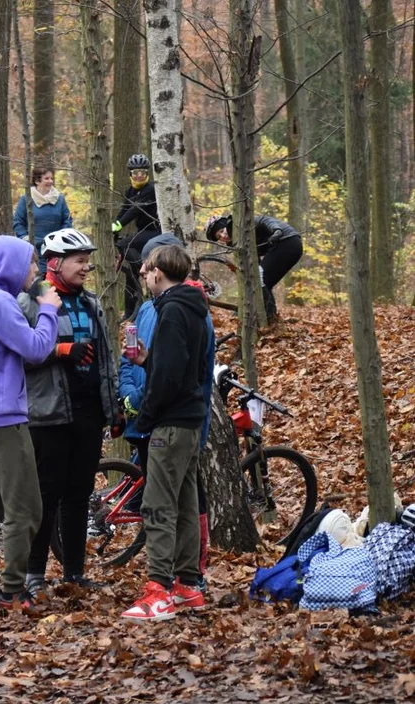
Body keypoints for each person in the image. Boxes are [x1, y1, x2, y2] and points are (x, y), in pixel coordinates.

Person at [0, 235, 62, 612]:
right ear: (13, 266)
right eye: (31, 263)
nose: (35, 270)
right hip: (2, 420)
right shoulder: (0, 303)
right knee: (26, 509)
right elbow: (37, 348)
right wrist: (49, 310)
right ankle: (13, 590)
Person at [17, 229, 122, 596]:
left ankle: (74, 572)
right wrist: (60, 350)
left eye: (87, 259)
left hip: (88, 413)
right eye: (79, 260)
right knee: (45, 497)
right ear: (55, 263)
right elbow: (18, 356)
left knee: (79, 495)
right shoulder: (29, 302)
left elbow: (107, 358)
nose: (86, 266)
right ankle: (33, 573)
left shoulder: (92, 303)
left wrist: (114, 407)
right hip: (47, 415)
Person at [120, 244, 210, 622]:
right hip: (190, 421)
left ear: (160, 272)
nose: (142, 273)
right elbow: (178, 364)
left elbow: (169, 379)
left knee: (158, 506)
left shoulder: (172, 311)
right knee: (186, 504)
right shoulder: (192, 307)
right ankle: (188, 585)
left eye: (147, 268)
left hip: (171, 424)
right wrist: (145, 359)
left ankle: (158, 591)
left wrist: (146, 415)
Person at [204, 214, 303, 321]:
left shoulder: (242, 224)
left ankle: (270, 318)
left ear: (227, 225)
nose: (223, 236)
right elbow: (254, 261)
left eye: (222, 231)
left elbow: (265, 220)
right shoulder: (239, 241)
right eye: (219, 237)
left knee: (259, 279)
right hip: (289, 246)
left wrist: (276, 230)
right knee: (262, 281)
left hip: (287, 240)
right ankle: (270, 318)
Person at [112, 154, 161, 313]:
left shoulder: (151, 189)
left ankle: (145, 270)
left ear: (147, 173)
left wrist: (119, 224)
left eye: (142, 172)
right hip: (143, 232)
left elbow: (134, 210)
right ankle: (128, 313)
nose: (139, 175)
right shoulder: (130, 190)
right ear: (130, 174)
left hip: (156, 232)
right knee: (130, 275)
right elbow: (124, 209)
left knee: (124, 244)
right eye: (135, 173)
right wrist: (112, 226)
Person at [13, 168, 74, 270]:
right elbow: (18, 222)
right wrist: (26, 238)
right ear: (37, 181)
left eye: (51, 178)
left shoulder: (60, 199)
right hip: (33, 250)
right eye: (46, 178)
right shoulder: (26, 199)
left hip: (56, 250)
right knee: (37, 282)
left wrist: (61, 238)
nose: (50, 181)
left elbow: (67, 221)